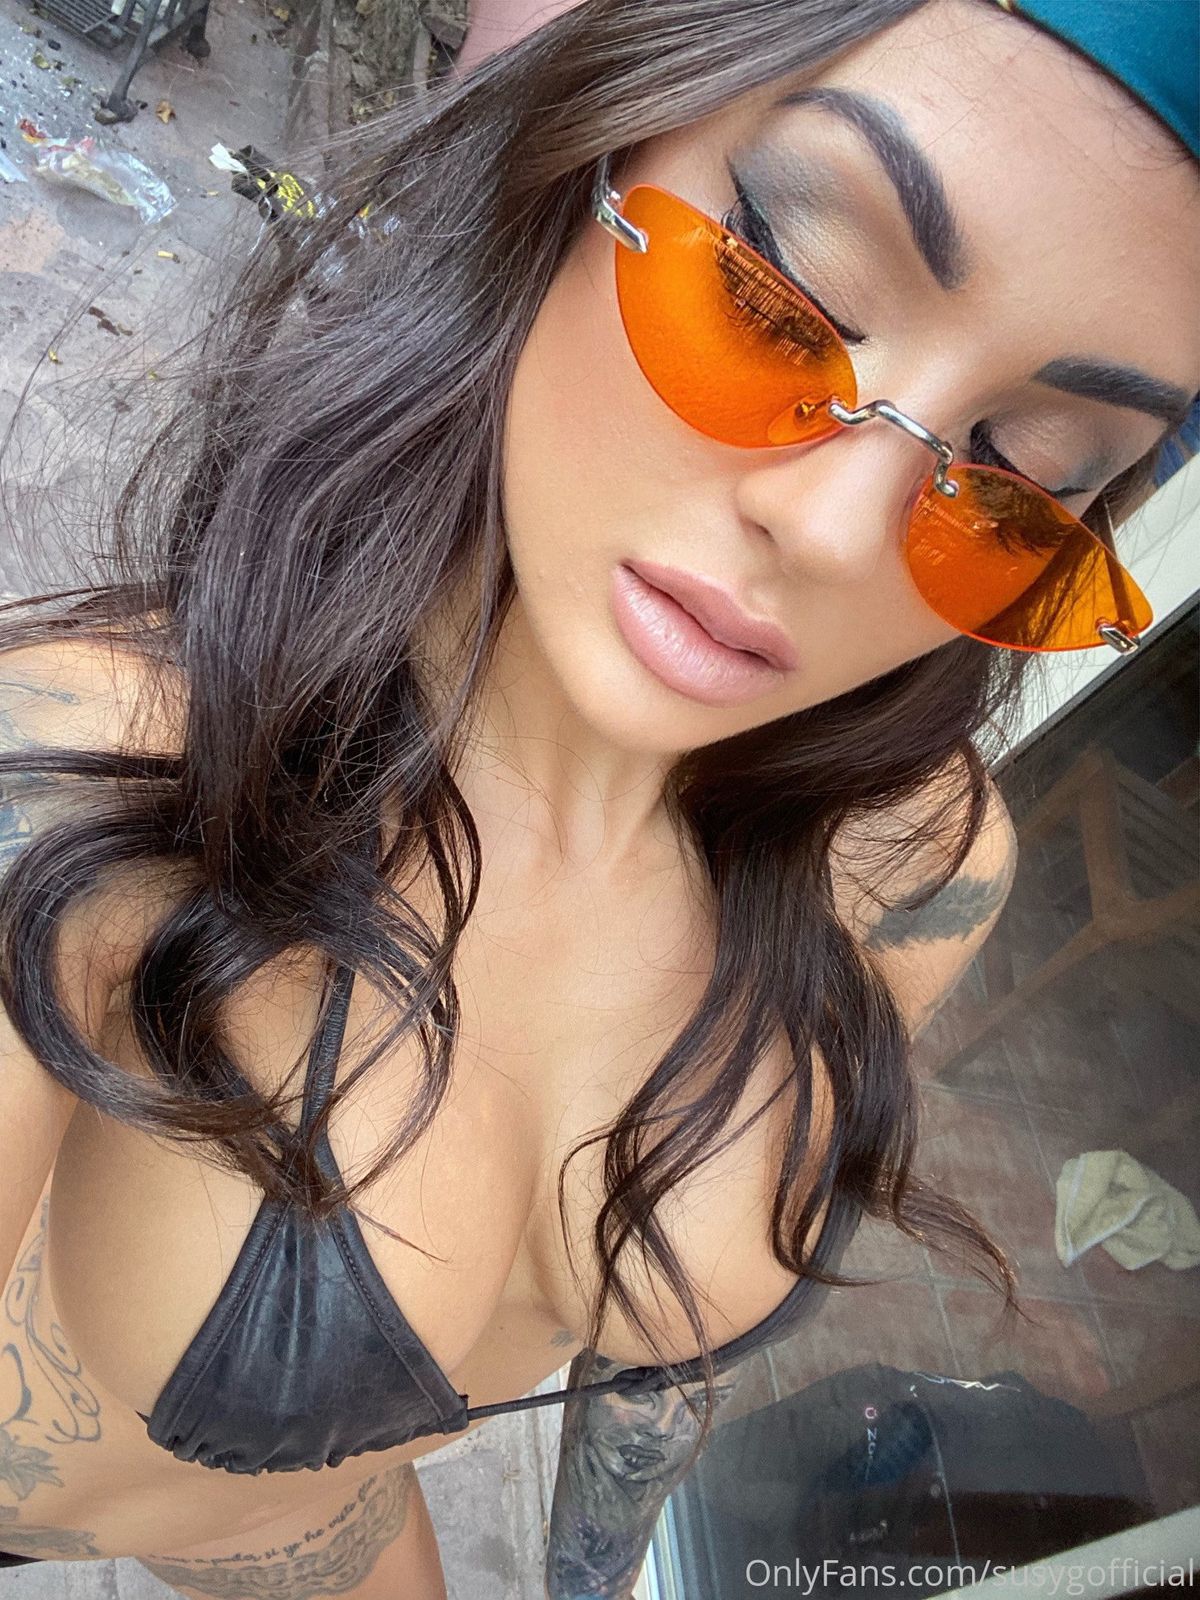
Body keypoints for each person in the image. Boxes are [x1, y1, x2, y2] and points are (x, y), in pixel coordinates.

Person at [0, 1, 1196, 1596]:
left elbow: (657, 1374)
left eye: (1026, 474)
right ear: (585, 141)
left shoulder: (915, 863)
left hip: (323, 1539)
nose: (841, 531)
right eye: (776, 296)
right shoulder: (92, 775)